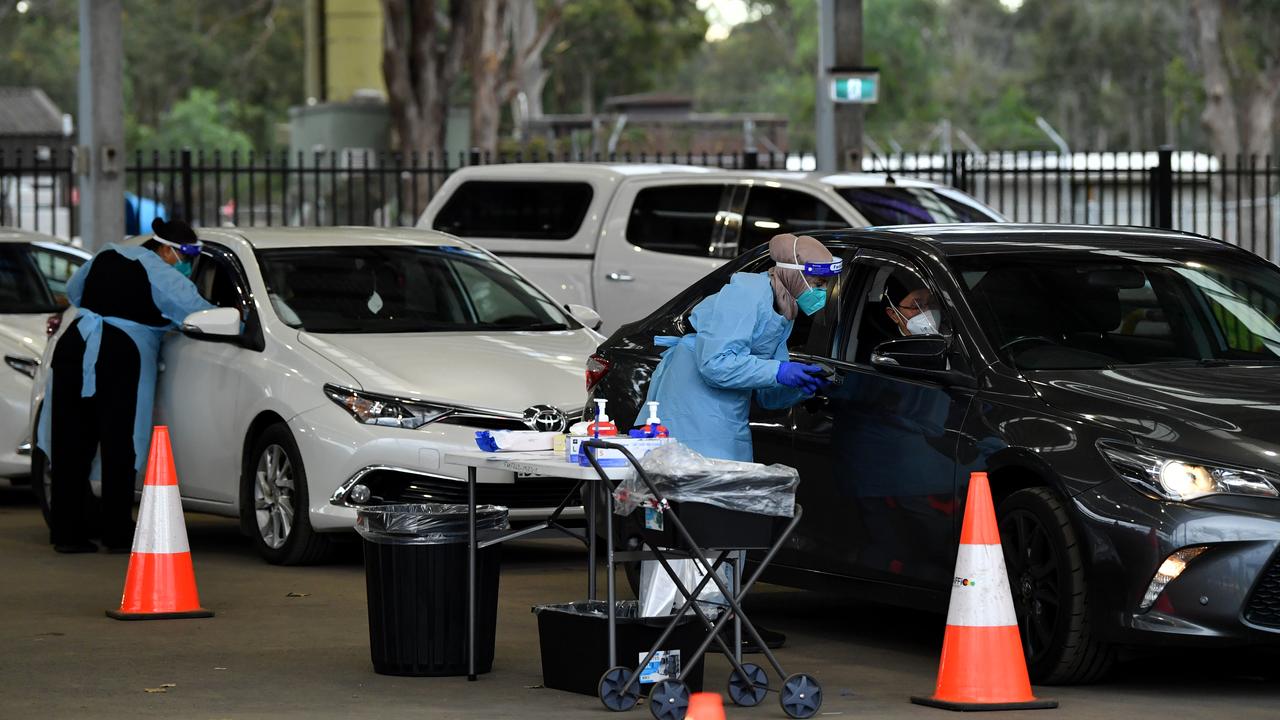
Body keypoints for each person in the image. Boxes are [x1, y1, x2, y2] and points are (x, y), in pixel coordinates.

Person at [38, 218, 215, 553]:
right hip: (119, 353)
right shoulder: (162, 273)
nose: (189, 265)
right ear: (166, 249)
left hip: (75, 344)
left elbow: (74, 290)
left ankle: (66, 534)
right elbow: (196, 311)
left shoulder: (107, 253)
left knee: (70, 441)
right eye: (187, 256)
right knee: (121, 443)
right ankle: (117, 534)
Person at [638, 233, 839, 461]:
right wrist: (779, 371)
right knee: (700, 483)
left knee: (726, 484)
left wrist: (803, 385)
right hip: (693, 406)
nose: (822, 292)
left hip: (726, 412)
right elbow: (715, 364)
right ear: (795, 273)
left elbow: (767, 397)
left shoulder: (784, 311)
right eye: (818, 283)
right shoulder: (747, 294)